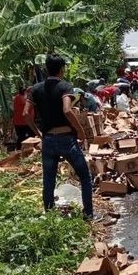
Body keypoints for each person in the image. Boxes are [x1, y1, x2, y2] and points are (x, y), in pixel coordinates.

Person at [23, 54, 101, 222]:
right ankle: (88, 215)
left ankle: (50, 219)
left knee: (48, 180)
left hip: (48, 140)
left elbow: (25, 114)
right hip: (67, 139)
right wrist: (80, 131)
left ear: (46, 69)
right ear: (62, 69)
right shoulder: (65, 86)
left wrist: (38, 134)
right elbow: (67, 110)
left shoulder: (35, 89)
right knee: (85, 176)